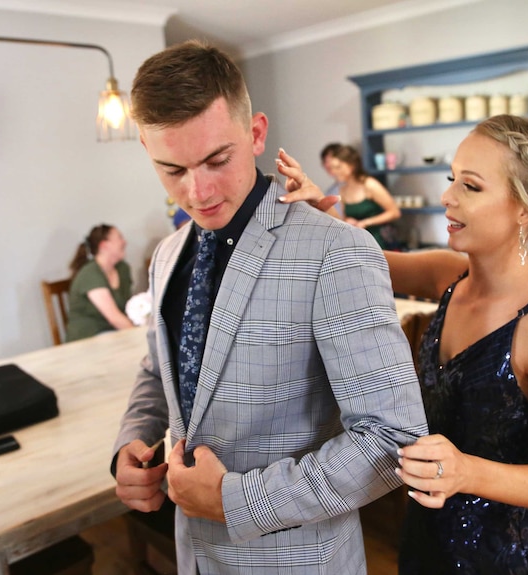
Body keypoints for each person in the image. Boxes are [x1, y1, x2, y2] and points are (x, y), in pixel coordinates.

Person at [112, 39, 428, 574]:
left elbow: (392, 441)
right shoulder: (166, 256)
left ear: (256, 133)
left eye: (217, 159)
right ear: (146, 147)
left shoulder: (336, 252)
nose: (199, 191)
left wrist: (235, 500)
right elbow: (158, 371)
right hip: (194, 553)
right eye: (173, 170)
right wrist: (132, 442)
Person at [281, 114, 528, 574]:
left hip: (500, 558)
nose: (446, 197)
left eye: (470, 186)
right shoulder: (449, 276)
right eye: (452, 179)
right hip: (422, 540)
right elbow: (365, 258)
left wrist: (467, 472)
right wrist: (322, 210)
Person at [64, 224, 134, 342]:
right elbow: (114, 317)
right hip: (87, 340)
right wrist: (141, 336)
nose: (124, 242)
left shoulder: (123, 269)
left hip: (114, 335)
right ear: (104, 245)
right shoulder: (90, 274)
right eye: (120, 238)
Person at [329, 144, 401, 249]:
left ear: (352, 165)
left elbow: (394, 212)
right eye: (332, 168)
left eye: (338, 167)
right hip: (359, 243)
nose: (334, 172)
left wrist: (366, 222)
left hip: (378, 241)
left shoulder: (370, 185)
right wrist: (348, 221)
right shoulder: (342, 190)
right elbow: (345, 217)